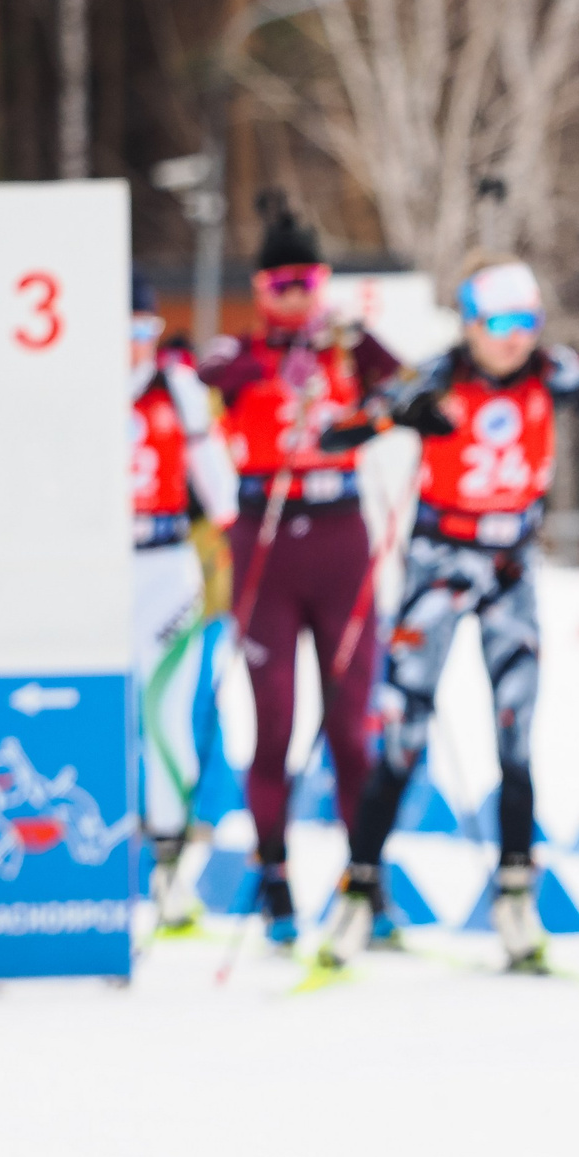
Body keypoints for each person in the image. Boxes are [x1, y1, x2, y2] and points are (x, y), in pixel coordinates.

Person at [319, 257, 579, 970]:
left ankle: (515, 897)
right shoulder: (438, 374)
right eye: (499, 324)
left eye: (526, 323)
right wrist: (400, 413)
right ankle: (359, 892)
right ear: (469, 323)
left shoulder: (554, 370)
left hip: (511, 566)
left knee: (515, 734)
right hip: (439, 563)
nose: (514, 339)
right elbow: (340, 434)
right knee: (402, 727)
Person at [198, 202, 403, 947]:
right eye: (283, 282)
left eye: (308, 280)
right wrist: (276, 354)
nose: (296, 295)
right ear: (261, 286)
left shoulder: (345, 347)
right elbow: (207, 369)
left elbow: (409, 386)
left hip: (341, 536)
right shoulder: (245, 348)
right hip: (267, 536)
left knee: (354, 726)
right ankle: (275, 877)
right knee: (275, 720)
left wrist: (362, 377)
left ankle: (364, 881)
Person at [128, 274, 239, 926]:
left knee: (167, 715)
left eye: (144, 332)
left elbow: (222, 496)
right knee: (100, 719)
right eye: (122, 334)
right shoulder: (80, 384)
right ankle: (101, 860)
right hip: (96, 565)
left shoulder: (177, 388)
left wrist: (199, 424)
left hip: (167, 564)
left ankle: (171, 870)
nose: (133, 348)